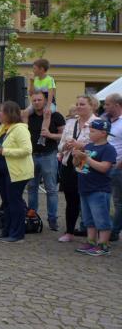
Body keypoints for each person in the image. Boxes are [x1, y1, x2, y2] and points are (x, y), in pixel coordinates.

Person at [0, 101, 34, 243]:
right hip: (2, 170)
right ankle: (6, 230)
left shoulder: (20, 129)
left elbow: (27, 150)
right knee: (6, 202)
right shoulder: (1, 128)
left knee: (15, 201)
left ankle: (17, 234)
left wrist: (4, 151)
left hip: (16, 171)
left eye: (2, 111)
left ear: (10, 114)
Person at [57, 95, 100, 242]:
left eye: (82, 104)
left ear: (92, 106)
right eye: (77, 104)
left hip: (87, 164)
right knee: (71, 199)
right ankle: (69, 232)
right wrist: (65, 146)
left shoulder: (98, 123)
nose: (78, 107)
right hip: (68, 163)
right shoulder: (70, 122)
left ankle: (93, 233)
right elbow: (60, 146)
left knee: (88, 199)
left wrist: (80, 145)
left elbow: (101, 145)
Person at [71, 119, 116, 256]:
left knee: (101, 218)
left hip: (99, 189)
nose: (89, 134)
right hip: (84, 187)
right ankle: (91, 242)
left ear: (103, 133)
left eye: (92, 131)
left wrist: (86, 158)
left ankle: (103, 245)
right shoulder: (89, 146)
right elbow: (78, 165)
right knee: (88, 219)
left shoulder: (108, 149)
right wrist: (76, 156)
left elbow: (104, 168)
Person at [25, 91, 66, 231]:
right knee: (32, 187)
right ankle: (32, 217)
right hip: (32, 155)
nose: (36, 102)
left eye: (39, 100)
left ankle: (52, 219)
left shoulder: (56, 116)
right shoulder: (29, 116)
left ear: (45, 101)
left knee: (51, 189)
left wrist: (50, 135)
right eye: (34, 100)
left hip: (48, 155)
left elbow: (64, 136)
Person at [102, 93, 122, 241]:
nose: (105, 107)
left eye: (107, 104)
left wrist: (120, 164)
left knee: (118, 201)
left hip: (117, 167)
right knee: (103, 198)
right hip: (103, 166)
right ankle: (106, 227)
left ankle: (114, 231)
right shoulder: (106, 120)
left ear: (117, 105)